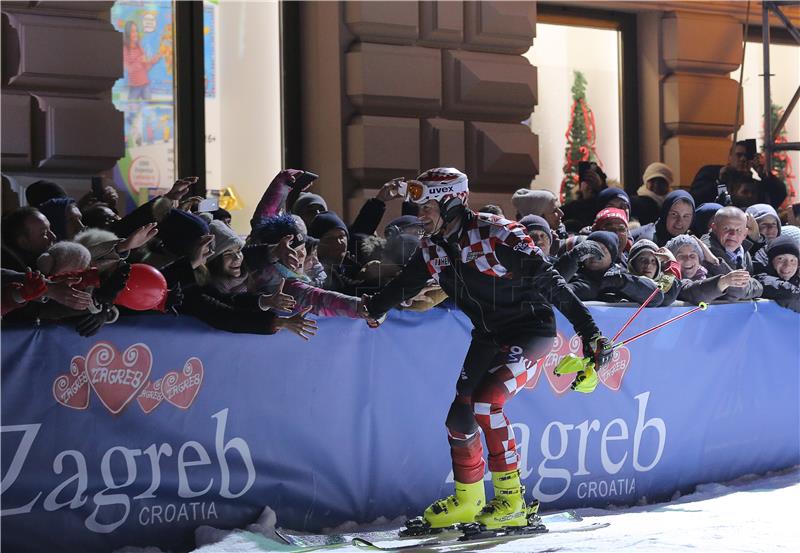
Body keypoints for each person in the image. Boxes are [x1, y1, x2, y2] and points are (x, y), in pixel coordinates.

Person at [363, 168, 612, 532]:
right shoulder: (433, 246)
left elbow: (552, 283)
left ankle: (511, 500)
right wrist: (375, 307)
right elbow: (407, 283)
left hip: (531, 330)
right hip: (489, 334)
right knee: (458, 418)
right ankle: (468, 498)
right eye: (418, 207)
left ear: (453, 202)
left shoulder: (497, 235)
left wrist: (590, 333)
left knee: (486, 403)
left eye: (428, 206)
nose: (421, 215)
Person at [690, 140, 786, 209]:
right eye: (739, 155)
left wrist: (765, 176)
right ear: (730, 157)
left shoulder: (755, 182)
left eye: (747, 156)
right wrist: (719, 181)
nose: (743, 159)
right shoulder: (712, 172)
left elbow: (779, 194)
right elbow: (696, 199)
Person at [700, 207, 763, 300]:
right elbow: (737, 291)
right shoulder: (706, 250)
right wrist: (751, 285)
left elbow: (759, 288)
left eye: (738, 230)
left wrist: (753, 285)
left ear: (745, 233)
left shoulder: (743, 251)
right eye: (726, 228)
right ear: (714, 228)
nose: (733, 234)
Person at [754, 235, 800, 312]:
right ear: (771, 261)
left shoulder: (796, 280)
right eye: (780, 259)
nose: (787, 265)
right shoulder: (761, 279)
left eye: (792, 260)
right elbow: (790, 295)